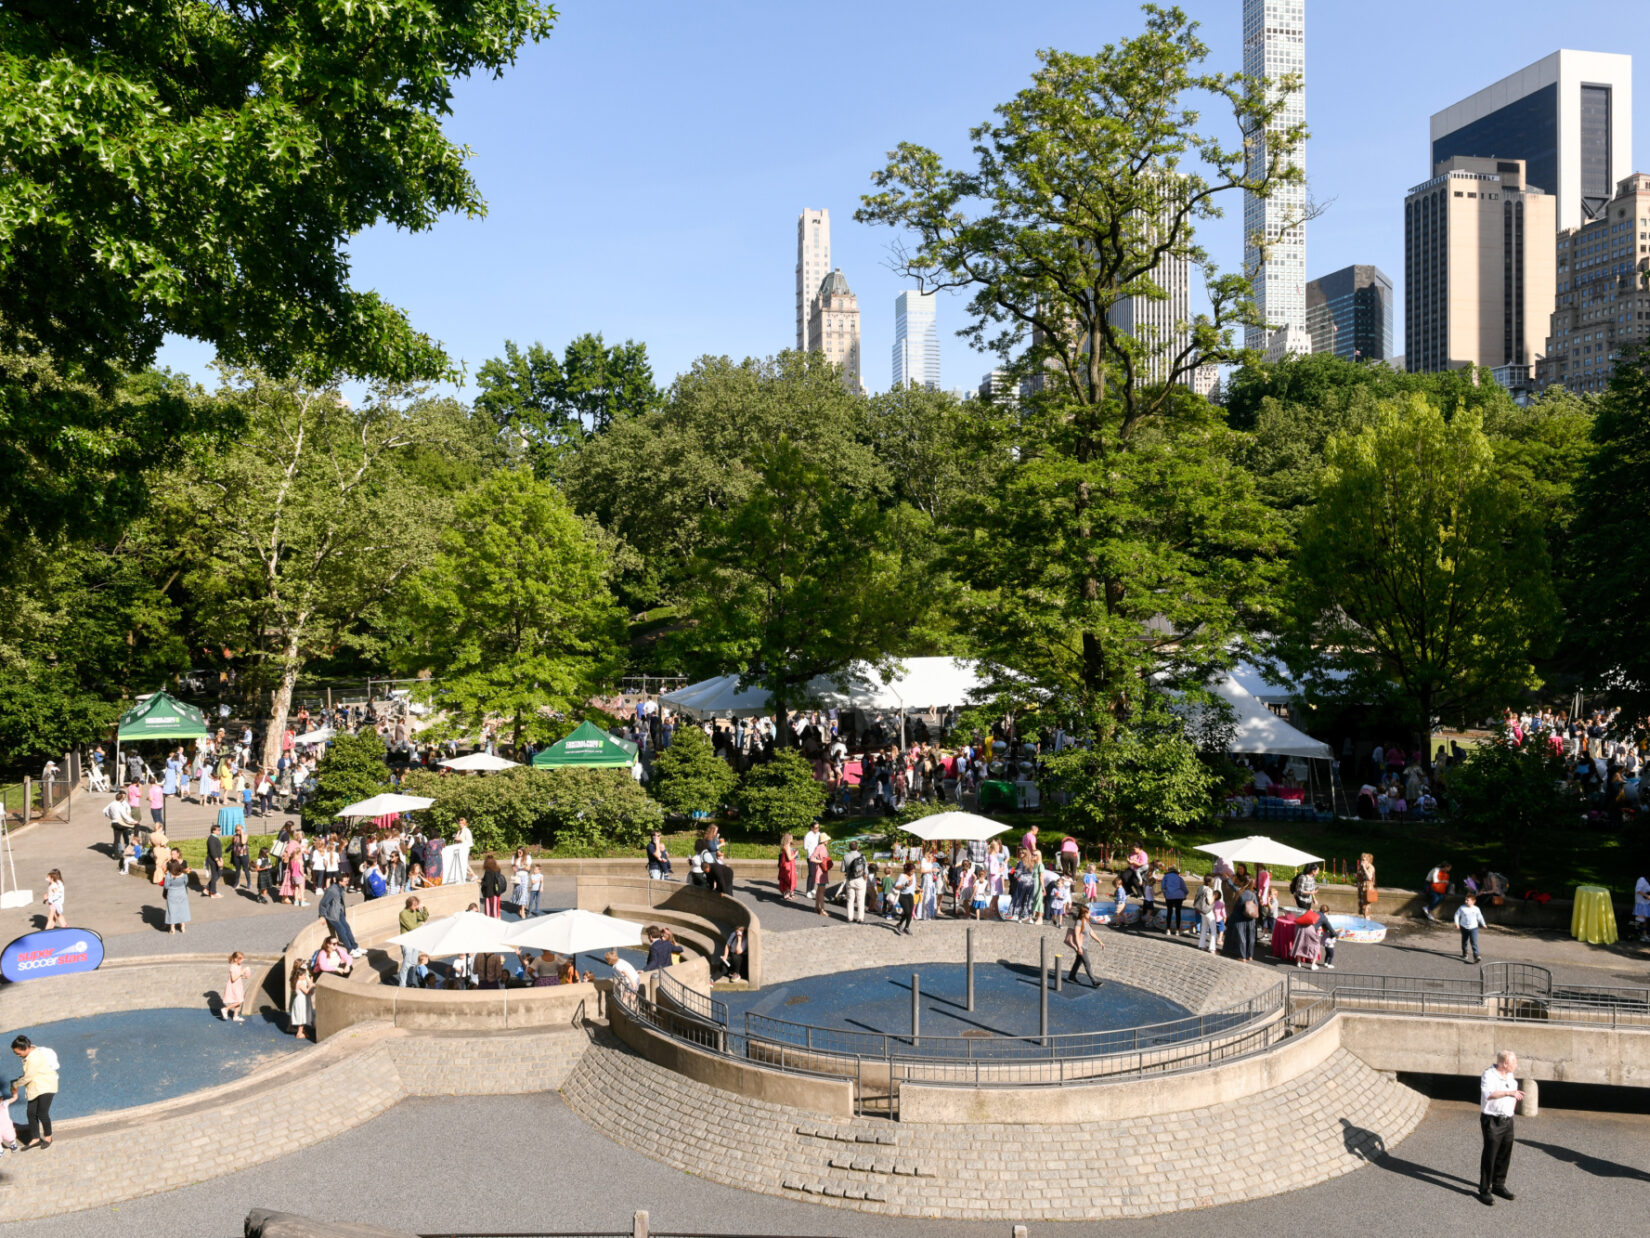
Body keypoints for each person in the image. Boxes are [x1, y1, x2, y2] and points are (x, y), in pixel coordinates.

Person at [1478, 1050, 1523, 1205]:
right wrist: (1508, 1093)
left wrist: (1511, 1106)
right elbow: (1488, 1094)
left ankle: (1498, 1185)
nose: (1516, 1066)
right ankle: (1484, 1190)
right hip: (1492, 1120)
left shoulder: (1510, 1076)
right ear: (1505, 1063)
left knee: (1505, 1153)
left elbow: (1514, 1095)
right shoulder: (1489, 1075)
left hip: (1507, 1120)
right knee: (1490, 1155)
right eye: (1514, 1063)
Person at [8, 1036, 59, 1150]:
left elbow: (29, 1076)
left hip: (46, 1087)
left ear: (25, 1048)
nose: (18, 1055)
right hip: (36, 1087)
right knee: (31, 1113)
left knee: (42, 1113)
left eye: (18, 1053)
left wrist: (15, 1084)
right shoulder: (30, 1055)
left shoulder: (34, 1057)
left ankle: (48, 1137)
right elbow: (30, 1075)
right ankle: (35, 1138)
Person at [318, 874, 364, 957]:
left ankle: (355, 947)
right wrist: (322, 915)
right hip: (332, 915)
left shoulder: (341, 888)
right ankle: (350, 949)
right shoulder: (332, 890)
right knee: (342, 930)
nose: (347, 882)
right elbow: (323, 904)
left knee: (347, 928)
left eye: (347, 880)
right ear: (339, 881)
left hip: (339, 912)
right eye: (345, 881)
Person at [1064, 907, 1104, 987]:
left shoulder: (1086, 922)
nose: (1090, 914)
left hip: (1084, 946)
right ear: (1084, 914)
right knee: (1087, 963)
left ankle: (1071, 977)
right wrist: (1079, 948)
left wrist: (1100, 941)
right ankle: (1094, 981)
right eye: (1088, 913)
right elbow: (1076, 935)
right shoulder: (1079, 922)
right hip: (1081, 946)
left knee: (1078, 962)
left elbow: (1091, 932)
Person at [398, 896, 429, 986]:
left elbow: (424, 918)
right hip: (406, 940)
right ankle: (402, 984)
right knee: (406, 963)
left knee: (413, 963)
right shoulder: (403, 913)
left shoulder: (415, 911)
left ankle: (410, 982)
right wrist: (421, 924)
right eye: (415, 905)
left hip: (415, 939)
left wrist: (423, 909)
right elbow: (412, 927)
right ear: (409, 904)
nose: (416, 907)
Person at [1230, 878, 1260, 961]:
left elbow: (1236, 906)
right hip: (1251, 918)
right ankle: (1250, 956)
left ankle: (1242, 956)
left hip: (1240, 918)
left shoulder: (1240, 893)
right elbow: (1256, 905)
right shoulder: (1253, 894)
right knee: (1251, 937)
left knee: (1241, 936)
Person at [104, 795, 136, 865]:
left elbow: (105, 811)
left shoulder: (112, 804)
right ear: (121, 799)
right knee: (135, 827)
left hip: (114, 822)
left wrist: (111, 817)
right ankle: (132, 846)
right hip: (120, 823)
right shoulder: (120, 805)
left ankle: (116, 855)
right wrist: (132, 821)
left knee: (116, 839)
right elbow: (124, 815)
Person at [1456, 892, 1486, 964]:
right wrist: (1457, 924)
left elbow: (1480, 917)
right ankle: (1465, 952)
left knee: (1474, 942)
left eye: (1468, 900)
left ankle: (1476, 956)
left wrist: (1483, 924)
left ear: (1473, 901)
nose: (1465, 901)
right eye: (1465, 900)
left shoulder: (1476, 909)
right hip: (1464, 927)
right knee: (1464, 941)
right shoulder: (1462, 908)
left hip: (1474, 928)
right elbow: (1456, 915)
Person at [842, 840, 868, 923]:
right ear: (857, 847)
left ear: (849, 847)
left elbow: (842, 869)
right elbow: (866, 871)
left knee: (850, 900)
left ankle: (850, 918)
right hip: (860, 880)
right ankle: (860, 918)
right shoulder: (862, 856)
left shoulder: (846, 856)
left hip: (850, 880)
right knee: (861, 900)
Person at [163, 859, 192, 933]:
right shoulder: (183, 874)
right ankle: (183, 927)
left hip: (172, 894)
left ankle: (172, 928)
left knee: (172, 910)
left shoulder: (169, 875)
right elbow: (186, 882)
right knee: (182, 909)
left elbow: (166, 886)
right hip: (182, 893)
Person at [221, 952, 252, 1022]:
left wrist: (245, 977)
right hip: (233, 986)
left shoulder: (239, 965)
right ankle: (225, 1009)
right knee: (239, 1001)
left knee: (239, 1000)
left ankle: (235, 1016)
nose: (242, 961)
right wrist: (242, 971)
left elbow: (238, 976)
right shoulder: (232, 967)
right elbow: (233, 979)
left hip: (238, 985)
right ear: (235, 959)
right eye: (241, 959)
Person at [288, 961, 315, 1040]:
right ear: (299, 975)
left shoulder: (298, 981)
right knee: (302, 1016)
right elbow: (307, 992)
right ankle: (299, 1033)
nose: (304, 976)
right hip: (301, 1001)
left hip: (301, 1000)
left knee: (303, 1016)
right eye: (303, 975)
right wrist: (310, 985)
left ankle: (301, 1031)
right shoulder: (300, 983)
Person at [1161, 865, 1188, 936]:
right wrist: (1186, 893)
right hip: (1179, 896)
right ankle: (1177, 930)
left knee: (1169, 912)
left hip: (1169, 896)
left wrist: (1165, 894)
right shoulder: (1179, 878)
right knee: (1178, 913)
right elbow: (1184, 888)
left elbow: (1163, 887)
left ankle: (1168, 929)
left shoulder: (1165, 877)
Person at [893, 862, 917, 935]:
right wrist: (905, 885)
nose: (913, 873)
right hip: (903, 896)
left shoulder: (914, 875)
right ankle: (900, 924)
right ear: (907, 870)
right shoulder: (902, 876)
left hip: (911, 895)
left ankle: (906, 927)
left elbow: (914, 884)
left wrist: (918, 888)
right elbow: (896, 886)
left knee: (910, 912)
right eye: (911, 871)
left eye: (914, 871)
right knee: (907, 911)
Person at [204, 823, 224, 899]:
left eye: (220, 829)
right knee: (215, 875)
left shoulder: (215, 838)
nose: (220, 831)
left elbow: (217, 850)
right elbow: (212, 851)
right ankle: (213, 892)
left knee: (218, 873)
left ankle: (207, 889)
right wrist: (217, 860)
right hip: (213, 860)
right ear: (213, 831)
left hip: (217, 859)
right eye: (218, 830)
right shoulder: (211, 839)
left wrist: (220, 858)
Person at [1355, 852, 1377, 918]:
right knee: (1363, 909)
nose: (1362, 861)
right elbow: (1360, 876)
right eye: (1362, 859)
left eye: (1364, 860)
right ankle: (1365, 924)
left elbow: (1369, 877)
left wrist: (1364, 868)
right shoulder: (1361, 867)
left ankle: (1367, 924)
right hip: (1362, 889)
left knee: (1366, 909)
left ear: (1368, 860)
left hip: (1368, 890)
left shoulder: (1371, 867)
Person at [777, 833, 798, 899]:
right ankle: (786, 895)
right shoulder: (787, 846)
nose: (792, 839)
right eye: (791, 838)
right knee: (788, 879)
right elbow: (789, 858)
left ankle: (789, 893)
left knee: (787, 879)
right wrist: (795, 854)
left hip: (787, 865)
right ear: (788, 838)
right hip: (788, 865)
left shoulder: (786, 846)